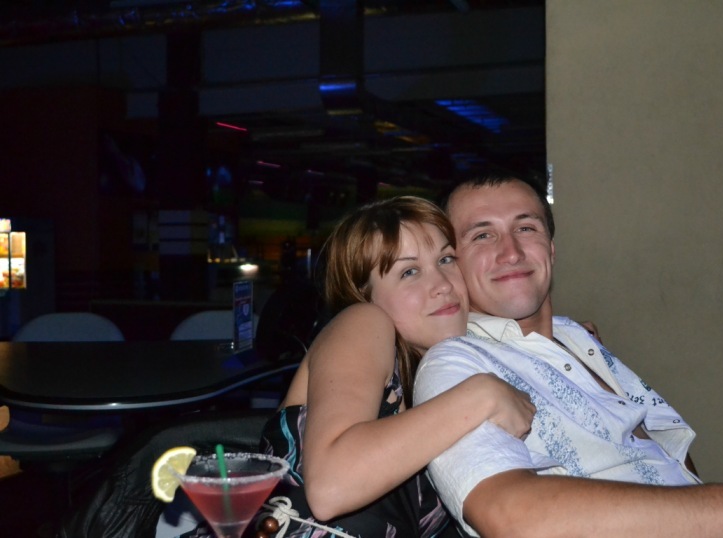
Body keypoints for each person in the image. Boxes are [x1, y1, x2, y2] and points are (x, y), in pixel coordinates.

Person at [413, 173, 723, 537]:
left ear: (551, 248)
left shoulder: (576, 338)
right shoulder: (457, 363)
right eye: (482, 236)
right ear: (452, 263)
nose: (511, 252)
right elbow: (510, 516)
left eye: (526, 228)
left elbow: (671, 461)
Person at [160, 196, 534, 538]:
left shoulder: (443, 369)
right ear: (363, 294)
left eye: (446, 259)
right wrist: (481, 395)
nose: (442, 285)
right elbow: (331, 488)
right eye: (408, 272)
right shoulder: (364, 322)